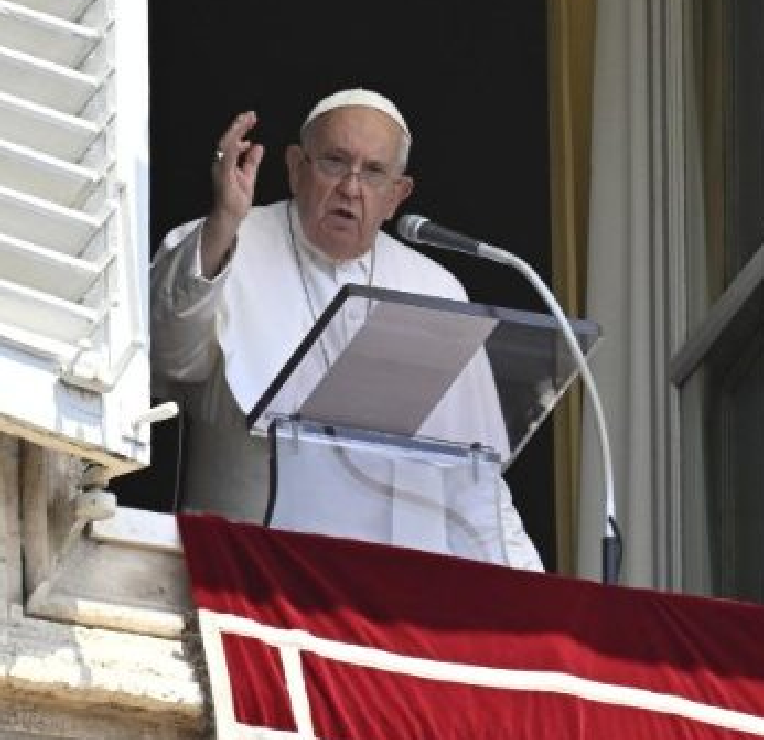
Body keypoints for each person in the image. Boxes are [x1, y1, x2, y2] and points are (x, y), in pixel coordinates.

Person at [150, 89, 543, 571]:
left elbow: (471, 468)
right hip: (243, 568)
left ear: (397, 195)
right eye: (335, 162)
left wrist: (530, 582)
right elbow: (170, 358)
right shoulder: (222, 243)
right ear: (296, 168)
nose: (351, 188)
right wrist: (223, 223)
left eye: (374, 172)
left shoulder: (437, 290)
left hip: (383, 586)